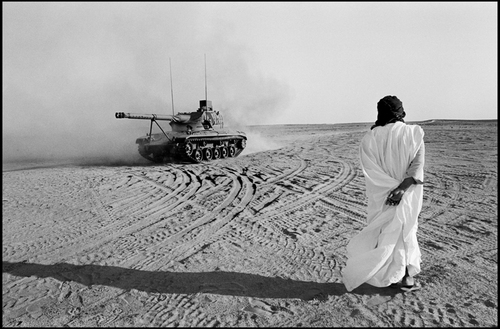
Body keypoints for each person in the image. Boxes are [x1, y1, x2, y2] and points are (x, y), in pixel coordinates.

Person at [342, 95, 425, 292]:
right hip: (407, 191)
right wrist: (401, 189)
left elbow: (370, 171)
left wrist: (389, 189)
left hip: (382, 195)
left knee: (385, 232)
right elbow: (417, 166)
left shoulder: (370, 138)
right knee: (405, 230)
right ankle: (405, 277)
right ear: (400, 111)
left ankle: (388, 274)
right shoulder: (414, 133)